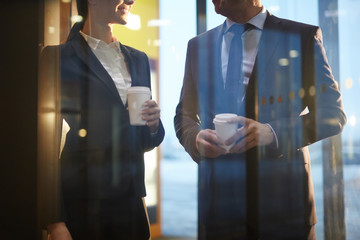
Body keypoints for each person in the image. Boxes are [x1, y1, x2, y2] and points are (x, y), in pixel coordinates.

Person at [174, 0, 346, 239]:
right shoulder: (198, 45)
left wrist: (271, 133)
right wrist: (195, 138)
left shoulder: (303, 35)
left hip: (285, 207)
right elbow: (184, 114)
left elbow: (333, 115)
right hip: (218, 210)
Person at [41, 0, 165, 239]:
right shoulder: (58, 57)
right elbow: (44, 147)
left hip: (130, 205)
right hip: (81, 203)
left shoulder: (138, 58)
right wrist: (54, 221)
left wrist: (152, 124)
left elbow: (144, 142)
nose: (131, 0)